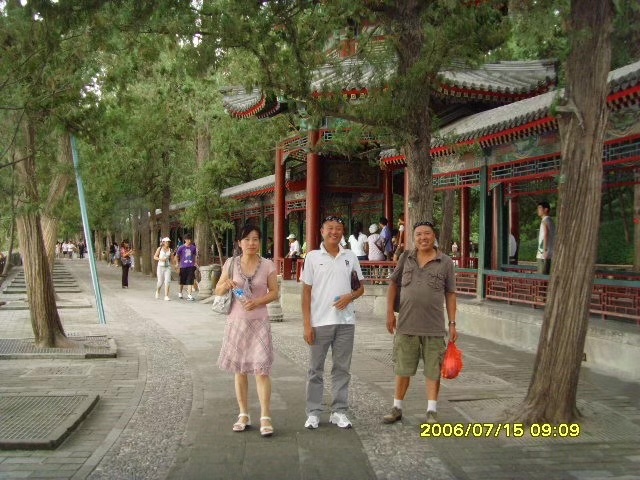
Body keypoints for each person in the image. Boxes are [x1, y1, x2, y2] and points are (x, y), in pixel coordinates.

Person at [383, 221, 458, 425]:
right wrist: (389, 313)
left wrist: (452, 323)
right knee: (402, 369)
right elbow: (393, 284)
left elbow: (450, 294)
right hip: (406, 324)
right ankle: (397, 407)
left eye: (427, 234)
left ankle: (431, 410)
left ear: (434, 236)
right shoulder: (406, 257)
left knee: (433, 370)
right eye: (418, 234)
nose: (423, 238)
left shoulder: (445, 262)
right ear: (413, 238)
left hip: (434, 327)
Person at [215, 224, 279, 437]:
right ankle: (243, 414)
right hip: (237, 322)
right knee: (240, 370)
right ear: (239, 243)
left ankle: (265, 416)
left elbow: (274, 292)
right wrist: (226, 285)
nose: (251, 243)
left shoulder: (268, 265)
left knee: (262, 370)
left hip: (260, 322)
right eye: (247, 239)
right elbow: (218, 289)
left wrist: (258, 301)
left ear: (260, 242)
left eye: (255, 239)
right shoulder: (231, 263)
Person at [301, 215, 365, 430]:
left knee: (342, 369)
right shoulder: (312, 257)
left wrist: (350, 297)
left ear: (342, 232)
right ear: (322, 231)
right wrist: (307, 324)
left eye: (338, 228)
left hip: (346, 322)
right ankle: (313, 412)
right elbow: (306, 292)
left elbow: (360, 288)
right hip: (319, 322)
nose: (334, 232)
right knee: (315, 369)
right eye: (330, 228)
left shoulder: (350, 256)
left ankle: (339, 412)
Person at [174, 234, 198, 300]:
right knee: (182, 281)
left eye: (190, 239)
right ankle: (180, 292)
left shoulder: (193, 247)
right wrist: (177, 263)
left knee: (190, 280)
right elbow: (176, 255)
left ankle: (189, 295)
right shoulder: (181, 247)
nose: (189, 241)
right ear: (185, 240)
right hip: (183, 266)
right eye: (188, 239)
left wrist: (195, 262)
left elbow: (195, 255)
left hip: (191, 266)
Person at [536, 201, 555, 274]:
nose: (538, 210)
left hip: (542, 254)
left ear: (546, 209)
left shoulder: (545, 221)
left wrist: (544, 250)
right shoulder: (551, 221)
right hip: (550, 253)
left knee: (541, 276)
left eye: (540, 208)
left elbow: (545, 234)